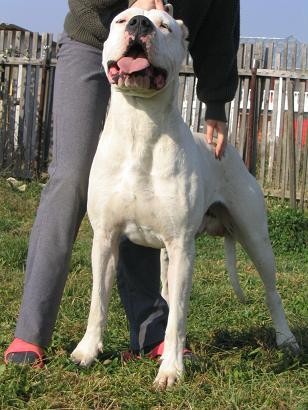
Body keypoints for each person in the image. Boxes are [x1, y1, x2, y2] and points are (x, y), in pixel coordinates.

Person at [4, 0, 240, 366]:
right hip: (95, 40)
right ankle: (30, 332)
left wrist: (216, 102)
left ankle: (150, 333)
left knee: (147, 185)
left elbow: (221, 20)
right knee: (72, 176)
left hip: (158, 54)